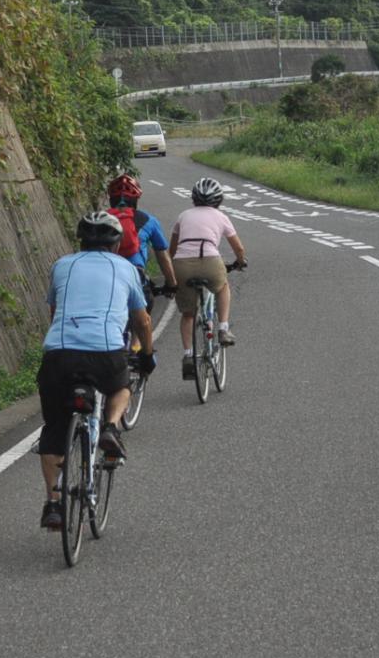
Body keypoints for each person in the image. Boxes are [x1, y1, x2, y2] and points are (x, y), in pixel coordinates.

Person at [37, 211, 155, 531]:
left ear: (80, 241)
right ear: (117, 245)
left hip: (59, 355)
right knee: (121, 387)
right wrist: (147, 355)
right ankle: (111, 428)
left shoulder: (62, 265)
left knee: (53, 430)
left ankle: (53, 504)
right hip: (105, 352)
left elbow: (55, 310)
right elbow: (142, 320)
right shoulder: (127, 269)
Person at [168, 178, 246, 378]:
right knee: (222, 287)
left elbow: (172, 248)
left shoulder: (183, 215)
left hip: (182, 265)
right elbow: (238, 247)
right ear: (219, 200)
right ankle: (223, 329)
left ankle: (188, 356)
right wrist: (240, 261)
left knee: (188, 314)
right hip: (210, 261)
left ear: (194, 198)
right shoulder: (220, 216)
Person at [108, 173, 175, 324]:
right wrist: (171, 284)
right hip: (135, 274)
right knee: (143, 309)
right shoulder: (149, 220)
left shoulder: (99, 218)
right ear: (135, 200)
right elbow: (162, 256)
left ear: (111, 199)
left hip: (105, 274)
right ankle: (138, 344)